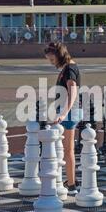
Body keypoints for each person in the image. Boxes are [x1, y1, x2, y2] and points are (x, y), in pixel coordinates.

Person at [44, 42, 82, 195]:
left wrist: (64, 112)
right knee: (65, 149)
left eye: (52, 60)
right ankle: (70, 180)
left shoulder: (70, 68)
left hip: (69, 112)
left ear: (59, 55)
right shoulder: (68, 68)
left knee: (68, 150)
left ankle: (72, 184)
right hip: (67, 111)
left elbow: (72, 90)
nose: (52, 63)